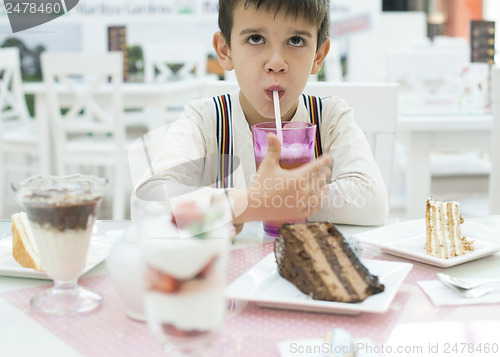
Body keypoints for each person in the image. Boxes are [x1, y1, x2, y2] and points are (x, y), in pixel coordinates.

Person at [135, 0, 388, 229]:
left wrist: (278, 200)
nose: (276, 62)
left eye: (296, 40)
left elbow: (373, 201)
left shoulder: (329, 118)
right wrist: (251, 202)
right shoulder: (206, 120)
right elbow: (147, 202)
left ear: (318, 56)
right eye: (256, 39)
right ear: (225, 51)